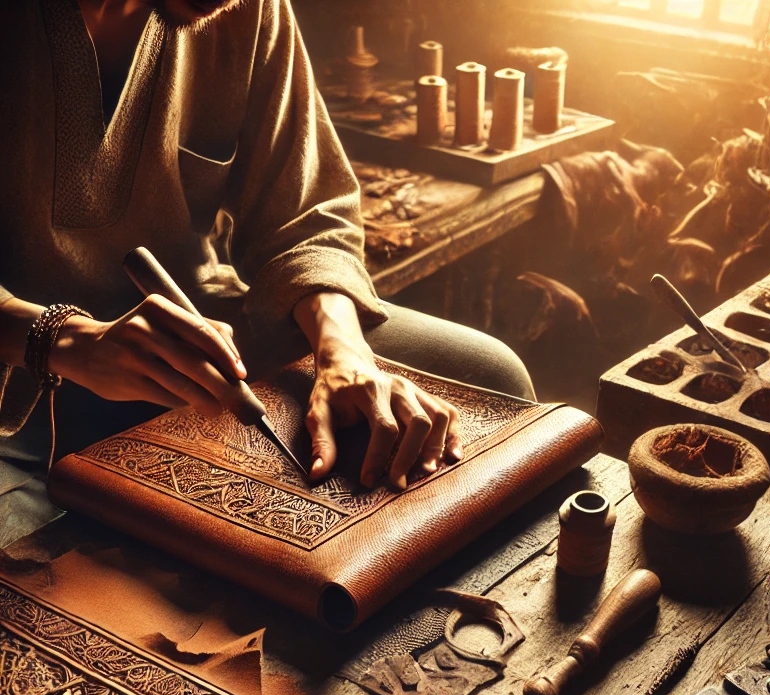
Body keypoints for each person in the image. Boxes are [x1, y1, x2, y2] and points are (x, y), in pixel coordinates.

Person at [0, 0, 534, 545]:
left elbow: (304, 215)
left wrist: (342, 349)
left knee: (489, 377)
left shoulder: (244, 7)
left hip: (207, 338)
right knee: (28, 555)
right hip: (14, 382)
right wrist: (58, 338)